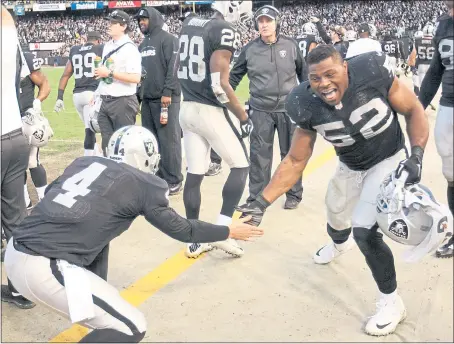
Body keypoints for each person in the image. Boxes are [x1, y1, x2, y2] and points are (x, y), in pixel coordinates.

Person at [4, 125, 263, 343]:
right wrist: (228, 229)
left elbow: (53, 198)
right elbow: (183, 230)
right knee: (130, 326)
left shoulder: (84, 161)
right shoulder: (145, 184)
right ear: (147, 157)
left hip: (17, 250)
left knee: (107, 303)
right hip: (43, 266)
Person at [237, 45, 429, 336]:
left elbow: (413, 109)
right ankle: (340, 244)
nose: (324, 83)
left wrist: (416, 155)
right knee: (336, 216)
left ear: (346, 68)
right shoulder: (303, 102)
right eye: (316, 78)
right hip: (350, 163)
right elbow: (296, 159)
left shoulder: (372, 71)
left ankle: (392, 302)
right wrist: (260, 202)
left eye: (330, 74)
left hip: (388, 157)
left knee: (364, 229)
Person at [177, 1, 254, 258]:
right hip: (208, 109)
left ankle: (193, 240)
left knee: (195, 173)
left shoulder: (190, 22)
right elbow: (220, 85)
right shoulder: (223, 29)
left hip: (186, 106)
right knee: (241, 165)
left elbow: (179, 66)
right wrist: (243, 116)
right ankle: (221, 231)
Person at [230, 5, 306, 210]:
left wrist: (308, 102)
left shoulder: (291, 46)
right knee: (259, 155)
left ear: (277, 22)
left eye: (268, 21)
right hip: (260, 110)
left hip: (288, 109)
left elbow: (304, 75)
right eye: (260, 21)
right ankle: (257, 198)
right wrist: (225, 99)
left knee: (291, 154)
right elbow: (233, 77)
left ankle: (294, 194)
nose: (264, 25)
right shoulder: (250, 49)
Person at [1, 5, 34, 309]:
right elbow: (5, 15)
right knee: (15, 219)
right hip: (14, 137)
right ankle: (19, 289)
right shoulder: (8, 35)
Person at [418, 0, 454, 258]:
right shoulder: (443, 23)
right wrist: (418, 106)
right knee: (451, 174)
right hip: (449, 105)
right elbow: (436, 70)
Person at [137, 7, 183, 196]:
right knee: (152, 141)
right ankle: (158, 177)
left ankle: (174, 179)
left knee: (169, 141)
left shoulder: (168, 39)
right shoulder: (141, 45)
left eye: (145, 19)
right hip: (147, 101)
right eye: (139, 20)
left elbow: (174, 68)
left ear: (154, 19)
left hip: (166, 99)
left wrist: (167, 92)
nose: (141, 22)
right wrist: (139, 96)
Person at [94, 10, 142, 156]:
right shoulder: (108, 45)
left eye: (113, 23)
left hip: (123, 101)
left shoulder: (130, 48)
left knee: (123, 145)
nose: (109, 26)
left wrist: (109, 73)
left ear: (123, 26)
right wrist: (97, 93)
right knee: (107, 144)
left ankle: (125, 177)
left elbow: (136, 77)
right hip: (106, 100)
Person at [54, 31, 104, 157]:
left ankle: (97, 156)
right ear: (98, 40)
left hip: (77, 96)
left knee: (90, 125)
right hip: (92, 94)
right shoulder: (100, 48)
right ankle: (87, 161)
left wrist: (60, 97)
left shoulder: (75, 49)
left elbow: (65, 75)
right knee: (90, 129)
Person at [19, 50, 51, 209]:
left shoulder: (23, 57)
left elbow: (44, 83)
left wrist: (37, 102)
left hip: (27, 118)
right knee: (13, 166)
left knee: (32, 161)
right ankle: (25, 201)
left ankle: (44, 200)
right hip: (6, 120)